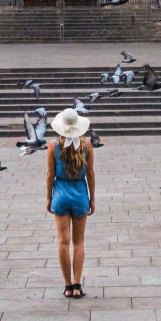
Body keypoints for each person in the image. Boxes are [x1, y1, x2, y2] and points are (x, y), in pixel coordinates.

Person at [46, 108, 95, 298]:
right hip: (80, 194)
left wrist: (49, 197)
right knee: (79, 242)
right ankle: (77, 285)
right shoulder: (87, 146)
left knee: (63, 242)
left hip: (60, 194)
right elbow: (90, 174)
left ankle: (67, 286)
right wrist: (92, 198)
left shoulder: (52, 146)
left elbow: (50, 174)